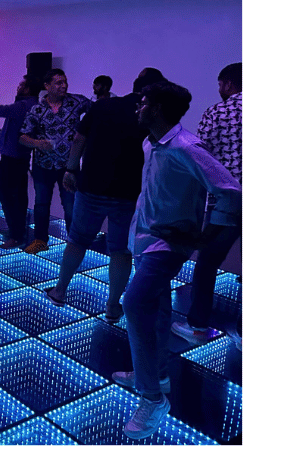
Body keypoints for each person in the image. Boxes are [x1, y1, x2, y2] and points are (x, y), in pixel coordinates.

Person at [112, 81, 240, 440]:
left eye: (143, 103)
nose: (138, 107)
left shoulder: (187, 147)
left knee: (135, 303)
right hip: (145, 236)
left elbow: (230, 190)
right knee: (159, 306)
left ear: (157, 109)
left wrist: (204, 237)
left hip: (168, 244)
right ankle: (156, 373)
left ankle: (152, 398)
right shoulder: (150, 143)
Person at [44, 68, 166, 320]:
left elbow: (79, 139)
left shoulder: (102, 107)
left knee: (77, 240)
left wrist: (70, 169)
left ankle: (59, 291)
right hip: (128, 193)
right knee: (121, 250)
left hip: (91, 187)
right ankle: (112, 306)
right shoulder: (152, 115)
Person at [171, 63, 242, 344]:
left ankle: (198, 327)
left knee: (208, 260)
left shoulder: (218, 112)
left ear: (227, 84)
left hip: (228, 196)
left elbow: (202, 157)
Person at [19, 69, 91, 254]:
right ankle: (40, 240)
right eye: (58, 83)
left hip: (69, 167)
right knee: (41, 204)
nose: (63, 86)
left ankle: (74, 243)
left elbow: (97, 112)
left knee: (70, 206)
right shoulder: (37, 110)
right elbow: (22, 137)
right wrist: (37, 143)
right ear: (47, 86)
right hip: (43, 166)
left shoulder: (77, 102)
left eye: (65, 82)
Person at [0, 74, 43, 249]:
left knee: (7, 196)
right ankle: (17, 230)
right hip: (22, 158)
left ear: (27, 89)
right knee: (19, 196)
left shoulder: (22, 105)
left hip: (11, 160)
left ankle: (15, 235)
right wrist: (5, 131)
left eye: (22, 84)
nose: (19, 86)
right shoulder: (35, 105)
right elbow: (22, 128)